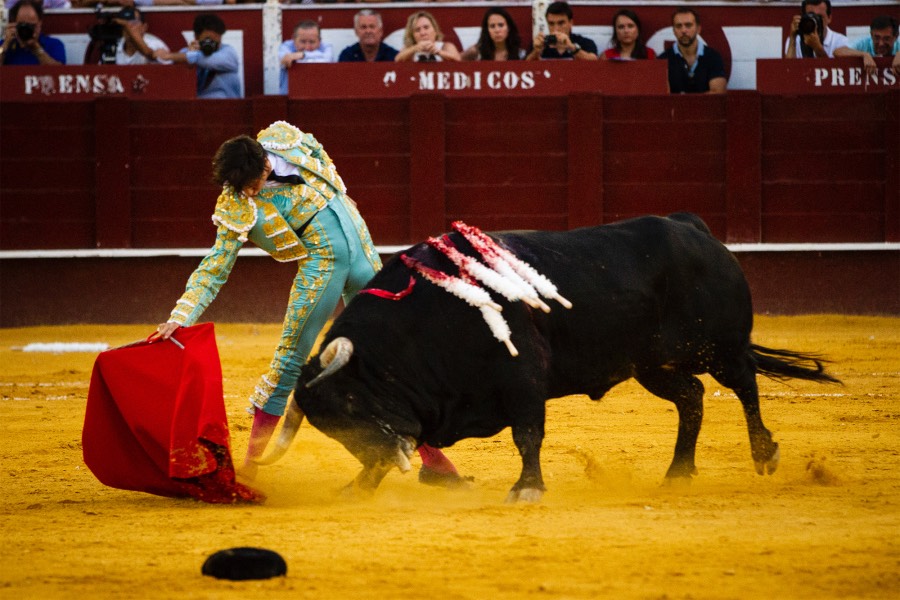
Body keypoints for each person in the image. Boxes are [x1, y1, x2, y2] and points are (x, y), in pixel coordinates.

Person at [154, 121, 463, 486]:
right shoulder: (235, 202)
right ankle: (251, 472)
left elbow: (318, 150)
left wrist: (342, 193)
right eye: (242, 188)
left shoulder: (285, 139)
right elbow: (215, 267)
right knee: (290, 360)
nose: (249, 193)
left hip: (364, 253)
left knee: (395, 360)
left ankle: (436, 466)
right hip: (323, 268)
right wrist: (181, 316)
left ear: (266, 165)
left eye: (252, 184)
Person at [154, 13, 242, 99]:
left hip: (226, 106)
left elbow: (208, 60)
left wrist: (171, 56)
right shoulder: (188, 52)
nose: (212, 44)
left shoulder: (229, 52)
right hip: (197, 105)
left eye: (217, 41)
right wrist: (188, 56)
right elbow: (177, 76)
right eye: (208, 40)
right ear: (196, 37)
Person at [659, 7, 727, 94]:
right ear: (674, 30)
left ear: (698, 29)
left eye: (688, 25)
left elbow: (718, 93)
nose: (683, 30)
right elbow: (664, 97)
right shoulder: (663, 59)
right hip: (675, 108)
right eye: (679, 26)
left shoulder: (713, 57)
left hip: (705, 108)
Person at [526, 1, 598, 61]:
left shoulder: (585, 43)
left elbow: (594, 62)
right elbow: (524, 68)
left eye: (561, 23)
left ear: (571, 23)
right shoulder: (540, 44)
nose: (556, 28)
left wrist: (571, 47)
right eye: (551, 24)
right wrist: (536, 52)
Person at [0, 0, 65, 66]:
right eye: (22, 25)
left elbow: (58, 72)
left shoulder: (54, 45)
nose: (26, 30)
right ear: (14, 23)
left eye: (31, 26)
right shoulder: (4, 45)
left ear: (40, 23)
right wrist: (5, 45)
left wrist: (36, 49)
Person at [278, 20, 333, 95]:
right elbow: (286, 60)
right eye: (303, 42)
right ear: (293, 39)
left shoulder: (326, 47)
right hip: (289, 99)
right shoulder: (286, 46)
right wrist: (315, 57)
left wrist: (302, 55)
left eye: (312, 42)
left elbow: (327, 60)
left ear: (319, 41)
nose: (307, 47)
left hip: (319, 97)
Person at [834, 15, 900, 77]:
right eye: (877, 38)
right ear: (871, 34)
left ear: (896, 36)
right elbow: (838, 52)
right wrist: (864, 54)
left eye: (886, 38)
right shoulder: (863, 42)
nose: (881, 43)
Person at [784, 0, 849, 59]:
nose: (815, 21)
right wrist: (793, 37)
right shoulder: (796, 40)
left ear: (829, 18)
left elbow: (832, 70)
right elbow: (789, 68)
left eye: (819, 17)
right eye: (811, 16)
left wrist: (817, 48)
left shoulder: (841, 41)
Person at [395, 10, 460, 63]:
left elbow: (459, 62)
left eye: (426, 27)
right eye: (417, 30)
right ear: (412, 35)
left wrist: (439, 52)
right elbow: (397, 60)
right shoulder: (409, 49)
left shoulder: (445, 46)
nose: (423, 33)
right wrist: (414, 49)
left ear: (435, 30)